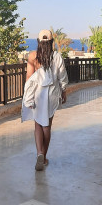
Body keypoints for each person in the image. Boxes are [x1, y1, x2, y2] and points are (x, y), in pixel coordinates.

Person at [22, 29, 68, 171]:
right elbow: (62, 76)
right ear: (51, 41)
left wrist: (28, 96)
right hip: (52, 93)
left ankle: (39, 154)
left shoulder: (33, 56)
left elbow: (29, 78)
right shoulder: (57, 56)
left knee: (38, 125)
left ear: (38, 41)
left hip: (37, 93)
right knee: (47, 126)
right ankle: (44, 156)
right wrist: (64, 91)